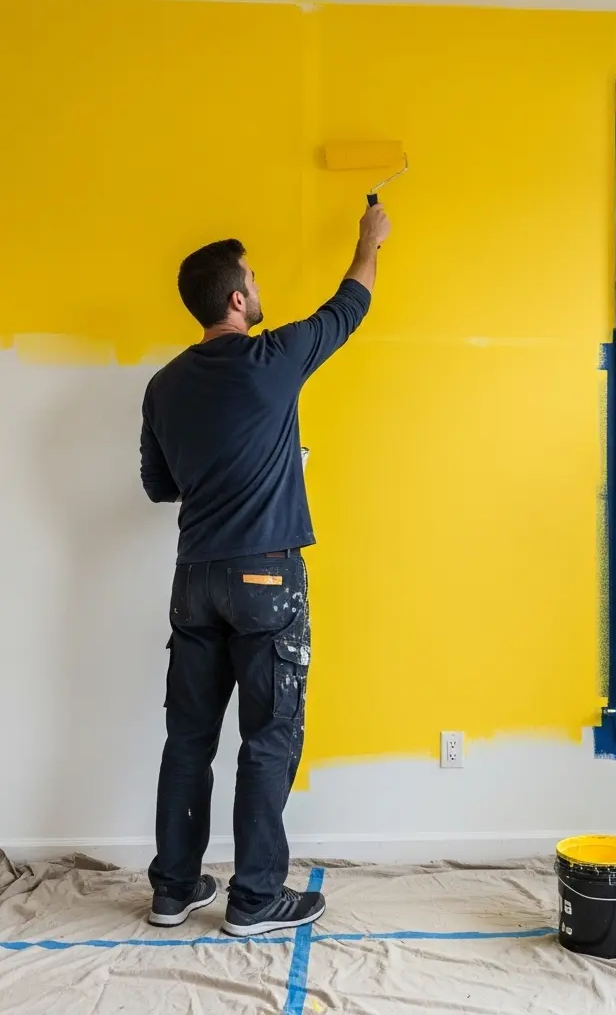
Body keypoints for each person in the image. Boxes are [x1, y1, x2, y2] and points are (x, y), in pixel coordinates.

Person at [140, 204, 391, 936]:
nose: (257, 281)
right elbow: (351, 305)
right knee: (269, 736)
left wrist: (227, 471)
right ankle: (254, 899)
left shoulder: (163, 385)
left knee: (188, 738)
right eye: (252, 274)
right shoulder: (272, 357)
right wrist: (368, 241)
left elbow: (161, 486)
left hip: (195, 580)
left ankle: (173, 890)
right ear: (237, 300)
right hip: (264, 581)